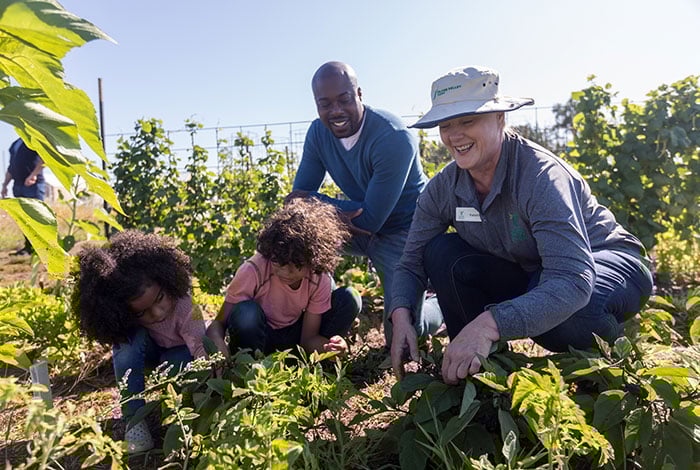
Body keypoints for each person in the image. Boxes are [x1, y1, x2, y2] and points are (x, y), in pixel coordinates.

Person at [390, 66, 654, 383]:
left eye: (468, 120)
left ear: (500, 118)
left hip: (604, 262)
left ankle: (609, 366)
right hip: (534, 272)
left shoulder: (540, 176)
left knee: (569, 317)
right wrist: (401, 314)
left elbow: (572, 280)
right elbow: (411, 262)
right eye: (446, 125)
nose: (454, 134)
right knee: (442, 252)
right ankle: (475, 375)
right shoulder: (444, 188)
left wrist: (489, 323)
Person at [288, 61, 442, 347]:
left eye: (344, 99)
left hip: (402, 230)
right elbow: (298, 202)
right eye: (325, 103)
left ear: (359, 94)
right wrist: (311, 203)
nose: (335, 111)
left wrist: (314, 200)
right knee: (299, 231)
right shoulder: (318, 134)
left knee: (406, 334)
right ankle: (319, 318)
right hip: (354, 225)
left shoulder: (393, 137)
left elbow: (370, 220)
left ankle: (439, 307)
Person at [71, 230, 207, 453]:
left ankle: (181, 409)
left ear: (166, 280)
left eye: (160, 298)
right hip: (149, 357)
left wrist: (210, 378)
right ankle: (134, 420)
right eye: (143, 312)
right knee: (128, 339)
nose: (158, 312)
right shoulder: (126, 318)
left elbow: (199, 345)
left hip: (181, 356)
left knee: (179, 362)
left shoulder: (183, 304)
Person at [207, 198, 362, 357]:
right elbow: (218, 323)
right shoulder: (253, 270)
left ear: (313, 261)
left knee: (349, 298)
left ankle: (308, 362)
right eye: (278, 263)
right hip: (259, 339)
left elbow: (308, 339)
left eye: (296, 265)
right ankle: (249, 365)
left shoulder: (318, 277)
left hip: (295, 341)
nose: (286, 272)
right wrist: (217, 345)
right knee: (247, 312)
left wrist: (331, 348)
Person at [1, 138, 45, 255]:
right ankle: (29, 247)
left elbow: (44, 158)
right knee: (23, 219)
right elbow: (11, 167)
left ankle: (41, 249)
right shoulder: (15, 143)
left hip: (33, 184)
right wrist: (5, 184)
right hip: (18, 184)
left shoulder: (32, 138)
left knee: (36, 217)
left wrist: (33, 175)